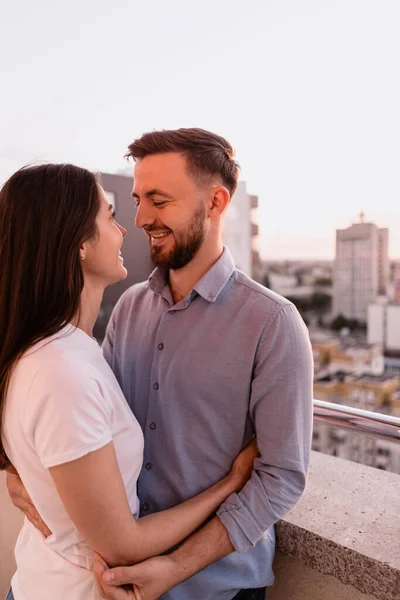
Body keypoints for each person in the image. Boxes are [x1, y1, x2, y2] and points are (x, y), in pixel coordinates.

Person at [0, 163, 258, 600]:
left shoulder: (60, 348)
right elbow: (123, 544)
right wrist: (230, 484)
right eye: (111, 216)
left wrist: (21, 467)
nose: (127, 229)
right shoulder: (61, 369)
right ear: (80, 243)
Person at [92, 128, 314, 599]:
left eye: (159, 199)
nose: (141, 218)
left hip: (217, 590)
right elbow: (95, 428)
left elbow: (281, 477)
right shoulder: (128, 308)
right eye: (137, 199)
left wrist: (175, 567)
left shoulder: (273, 323)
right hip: (118, 580)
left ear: (215, 203)